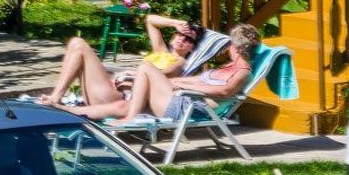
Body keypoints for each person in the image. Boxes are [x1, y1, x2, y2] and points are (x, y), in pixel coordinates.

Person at [62, 23, 259, 124]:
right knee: (122, 105)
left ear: (236, 48)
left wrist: (182, 85)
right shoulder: (224, 68)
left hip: (188, 106)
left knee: (146, 67)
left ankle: (132, 117)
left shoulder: (243, 72)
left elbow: (224, 91)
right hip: (179, 99)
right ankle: (67, 110)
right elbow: (194, 80)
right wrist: (176, 82)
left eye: (230, 45)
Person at [35, 12, 203, 108]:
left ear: (192, 48)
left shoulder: (180, 63)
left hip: (117, 99)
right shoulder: (161, 51)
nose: (182, 39)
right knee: (75, 43)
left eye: (188, 39)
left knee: (80, 45)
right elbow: (150, 20)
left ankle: (56, 96)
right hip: (108, 91)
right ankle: (57, 95)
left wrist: (133, 73)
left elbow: (157, 75)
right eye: (180, 34)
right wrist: (175, 23)